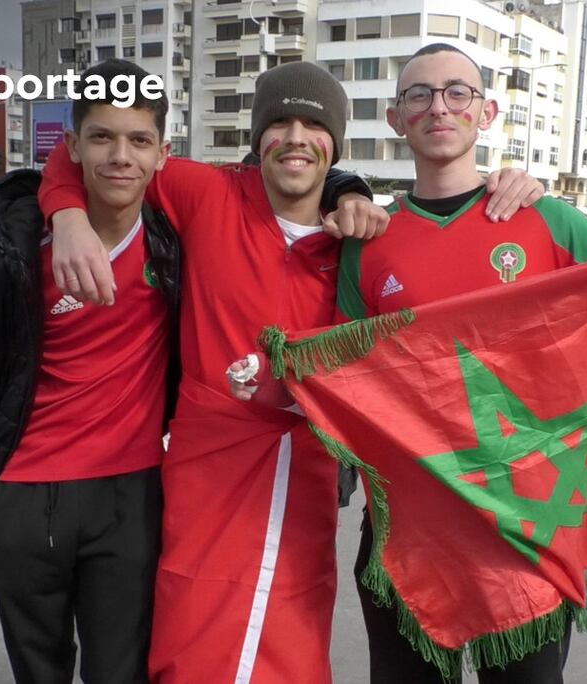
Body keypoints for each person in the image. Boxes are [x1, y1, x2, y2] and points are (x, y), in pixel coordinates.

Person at [39, 60, 547, 683]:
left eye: (314, 126)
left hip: (307, 471)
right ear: (258, 139)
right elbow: (100, 151)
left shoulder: (359, 236)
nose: (296, 138)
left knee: (294, 635)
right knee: (193, 632)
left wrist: (512, 189)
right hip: (209, 470)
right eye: (279, 124)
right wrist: (66, 216)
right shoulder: (208, 193)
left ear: (336, 144)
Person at [293, 43, 587, 684]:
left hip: (525, 537)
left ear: (486, 112)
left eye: (457, 92)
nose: (440, 107)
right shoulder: (369, 241)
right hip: (408, 533)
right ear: (396, 117)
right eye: (420, 95)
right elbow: (348, 379)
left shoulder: (546, 219)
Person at [0, 59, 178, 683]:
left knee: (122, 674)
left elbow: (287, 175)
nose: (121, 156)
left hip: (131, 497)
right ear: (73, 146)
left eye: (139, 140)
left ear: (163, 153)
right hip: (23, 499)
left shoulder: (173, 241)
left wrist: (350, 190)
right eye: (102, 137)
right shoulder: (11, 251)